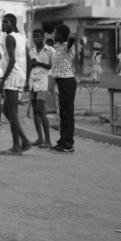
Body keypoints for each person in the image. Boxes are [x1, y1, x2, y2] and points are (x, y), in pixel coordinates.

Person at [0, 14, 33, 155]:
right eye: (2, 22)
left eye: (5, 22)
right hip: (20, 76)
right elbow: (29, 60)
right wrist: (27, 80)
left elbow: (11, 61)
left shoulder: (9, 38)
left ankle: (16, 146)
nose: (3, 25)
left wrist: (3, 80)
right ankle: (24, 140)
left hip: (12, 77)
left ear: (12, 23)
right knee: (6, 110)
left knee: (12, 113)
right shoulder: (21, 38)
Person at [50, 24, 77, 153]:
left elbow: (70, 43)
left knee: (68, 114)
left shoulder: (67, 47)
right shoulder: (58, 47)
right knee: (63, 114)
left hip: (67, 82)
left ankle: (68, 144)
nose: (53, 35)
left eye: (55, 33)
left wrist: (70, 39)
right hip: (61, 83)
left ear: (61, 35)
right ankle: (62, 141)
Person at [27, 29, 54, 148]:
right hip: (32, 83)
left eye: (38, 37)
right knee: (35, 111)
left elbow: (52, 66)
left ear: (43, 37)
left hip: (43, 82)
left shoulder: (50, 50)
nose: (35, 39)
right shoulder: (31, 51)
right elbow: (29, 67)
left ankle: (48, 140)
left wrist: (38, 63)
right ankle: (40, 138)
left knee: (41, 110)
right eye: (34, 37)